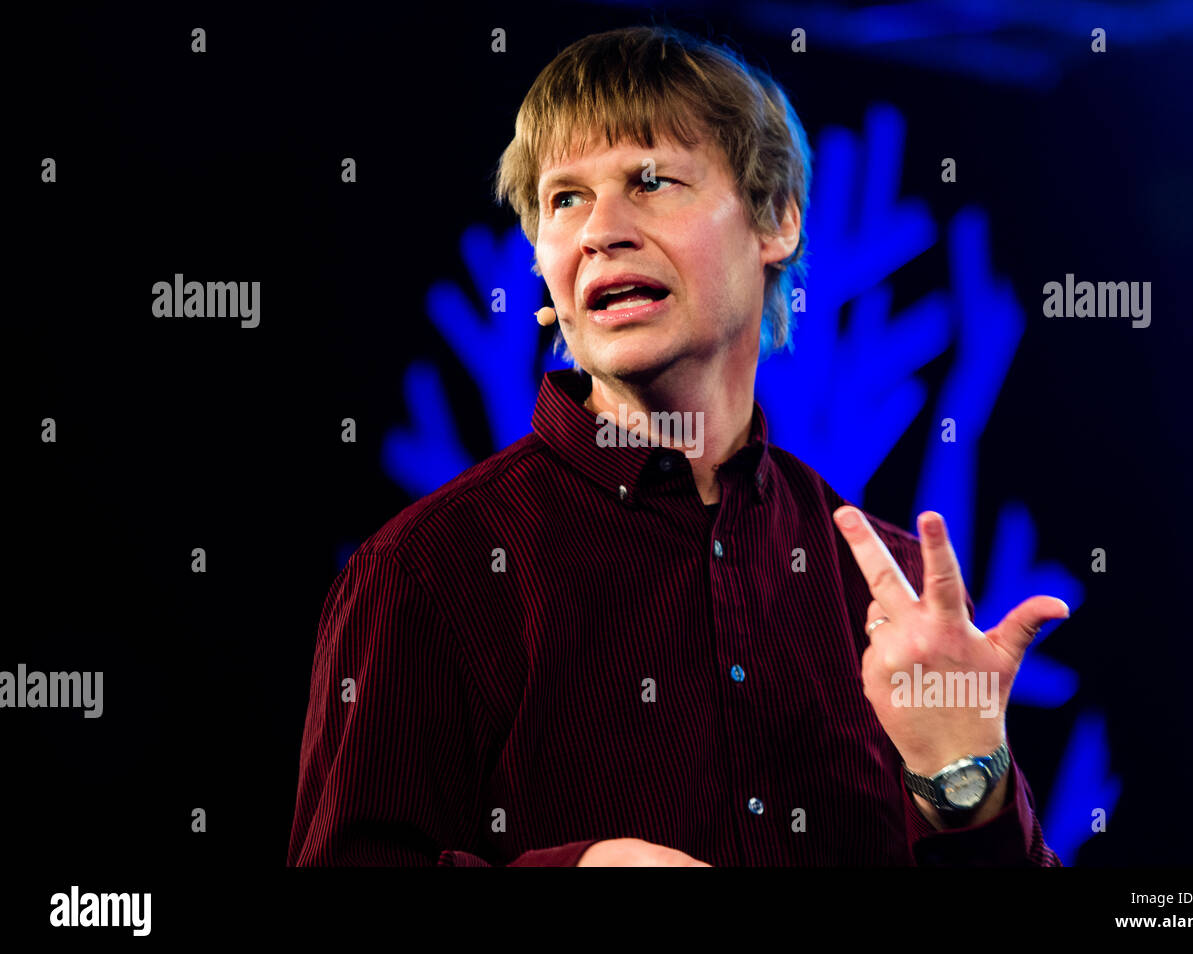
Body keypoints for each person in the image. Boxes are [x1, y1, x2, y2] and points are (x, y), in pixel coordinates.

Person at [287, 24, 1069, 867]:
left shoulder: (886, 587)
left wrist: (965, 784)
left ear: (776, 221)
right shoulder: (426, 573)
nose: (600, 230)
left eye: (651, 181)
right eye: (564, 200)